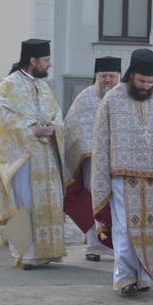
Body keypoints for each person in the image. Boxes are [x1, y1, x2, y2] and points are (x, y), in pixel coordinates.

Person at [92, 49, 153, 295]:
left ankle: (144, 274)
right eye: (142, 81)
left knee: (148, 228)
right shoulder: (113, 99)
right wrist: (102, 173)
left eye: (151, 82)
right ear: (131, 75)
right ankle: (125, 276)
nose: (146, 86)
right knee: (125, 227)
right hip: (123, 174)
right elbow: (101, 139)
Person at [0, 38, 67, 269]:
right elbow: (2, 120)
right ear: (33, 60)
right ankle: (25, 253)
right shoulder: (9, 84)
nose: (50, 64)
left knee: (49, 202)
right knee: (25, 202)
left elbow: (56, 113)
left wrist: (54, 127)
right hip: (22, 156)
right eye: (46, 60)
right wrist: (31, 129)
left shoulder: (43, 86)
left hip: (45, 156)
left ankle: (46, 252)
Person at [62, 57, 121, 262]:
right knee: (91, 199)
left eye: (112, 76)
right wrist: (91, 150)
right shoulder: (85, 98)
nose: (107, 80)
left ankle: (115, 247)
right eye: (103, 76)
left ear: (119, 77)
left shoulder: (125, 98)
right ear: (96, 77)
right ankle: (93, 246)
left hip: (118, 164)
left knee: (116, 203)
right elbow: (75, 129)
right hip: (92, 162)